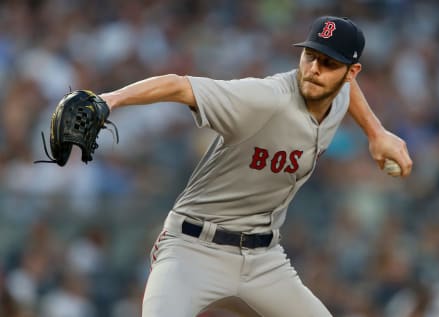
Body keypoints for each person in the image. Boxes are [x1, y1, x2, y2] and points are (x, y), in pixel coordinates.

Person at [100, 15, 412, 317]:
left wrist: (376, 132)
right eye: (310, 56)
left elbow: (346, 91)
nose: (314, 70)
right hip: (192, 251)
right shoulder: (266, 98)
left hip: (265, 260)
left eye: (328, 62)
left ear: (351, 71)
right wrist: (108, 101)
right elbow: (179, 86)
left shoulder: (339, 92)